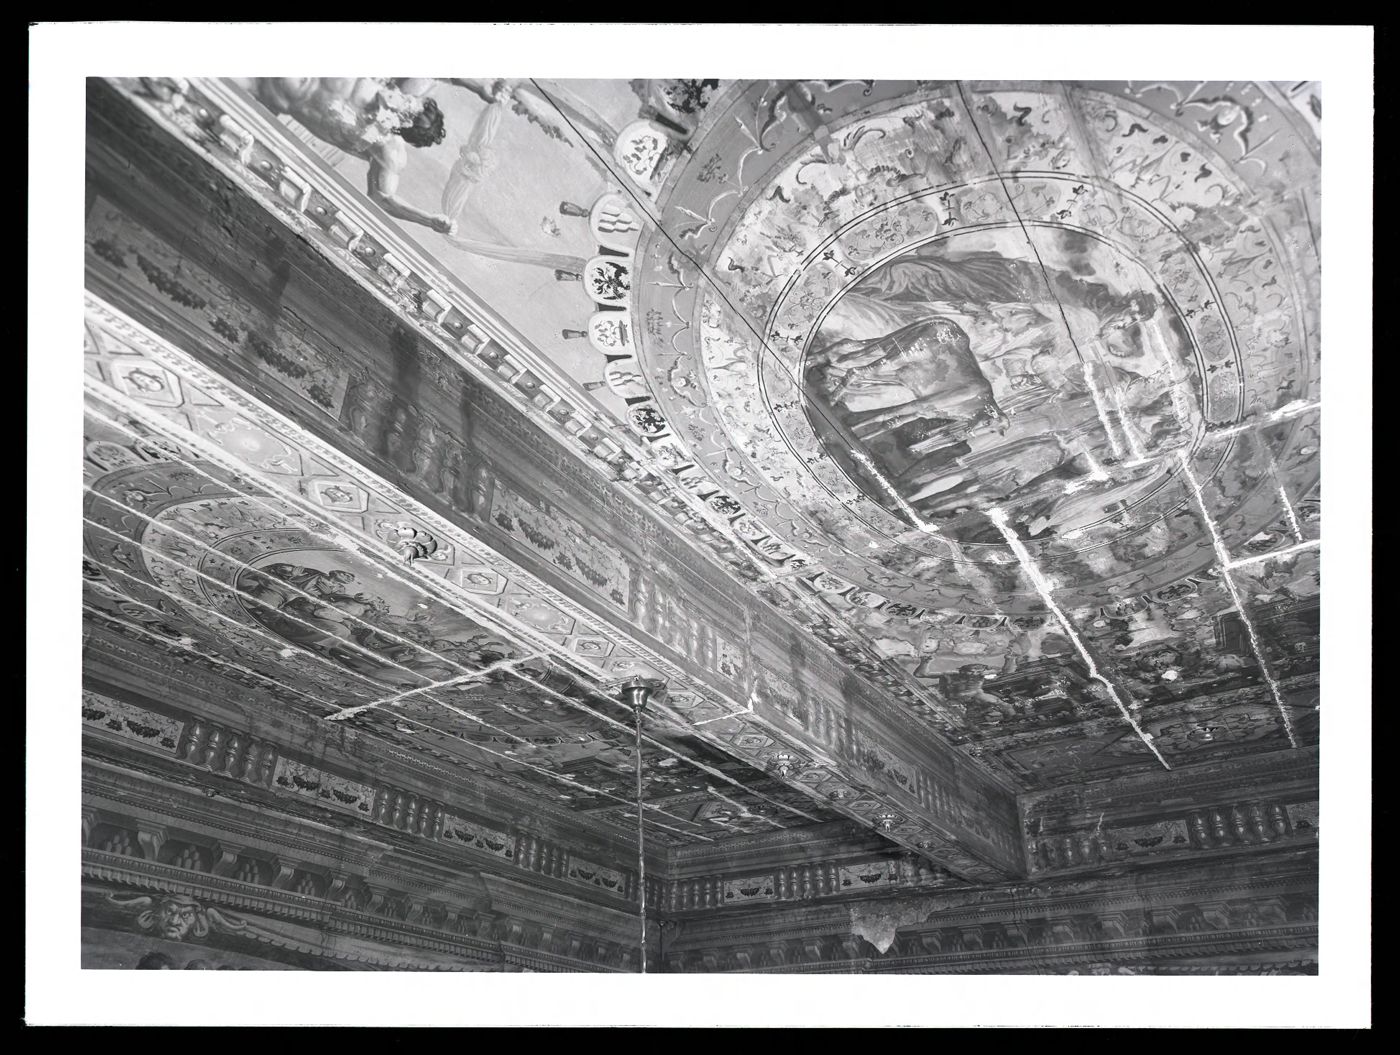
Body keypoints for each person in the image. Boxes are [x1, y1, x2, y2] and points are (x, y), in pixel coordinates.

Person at [230, 78, 474, 234]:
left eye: (411, 113)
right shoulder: (395, 86)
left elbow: (383, 199)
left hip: (262, 88)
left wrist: (428, 220)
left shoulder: (386, 149)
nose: (407, 106)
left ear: (407, 130)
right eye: (412, 104)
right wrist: (478, 85)